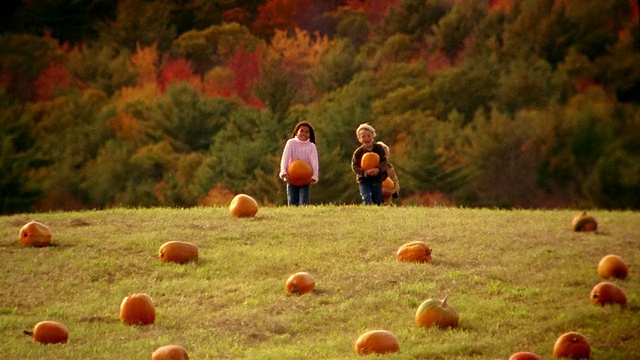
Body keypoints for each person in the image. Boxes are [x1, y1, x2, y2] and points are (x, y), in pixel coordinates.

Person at [279, 121, 319, 205]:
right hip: (291, 177)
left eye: (307, 132)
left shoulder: (311, 146)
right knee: (292, 201)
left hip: (305, 178)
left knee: (304, 202)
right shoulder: (291, 143)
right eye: (302, 131)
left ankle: (304, 216)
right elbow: (285, 158)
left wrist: (314, 176)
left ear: (310, 134)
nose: (304, 133)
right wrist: (284, 173)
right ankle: (293, 217)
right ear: (296, 132)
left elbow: (315, 163)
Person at [351, 123, 387, 205]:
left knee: (378, 198)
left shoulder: (379, 148)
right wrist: (364, 172)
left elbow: (384, 161)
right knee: (367, 196)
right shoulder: (358, 152)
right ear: (359, 139)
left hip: (377, 178)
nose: (366, 138)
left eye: (368, 136)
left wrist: (378, 169)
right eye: (363, 136)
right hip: (364, 179)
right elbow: (355, 166)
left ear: (373, 136)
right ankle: (368, 209)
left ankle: (379, 211)